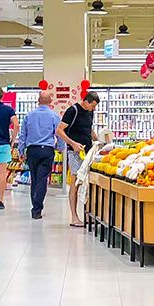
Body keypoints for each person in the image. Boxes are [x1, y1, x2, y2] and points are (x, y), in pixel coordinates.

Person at [57, 91, 99, 228]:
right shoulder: (72, 111)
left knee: (87, 183)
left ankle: (88, 215)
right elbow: (59, 130)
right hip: (75, 153)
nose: (93, 109)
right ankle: (74, 217)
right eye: (92, 106)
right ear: (86, 101)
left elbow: (89, 129)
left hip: (88, 152)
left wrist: (98, 140)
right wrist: (73, 143)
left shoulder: (90, 112)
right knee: (75, 182)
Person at [19, 91, 62, 220]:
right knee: (42, 179)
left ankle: (35, 205)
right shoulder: (54, 116)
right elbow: (59, 134)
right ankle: (37, 209)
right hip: (47, 151)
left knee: (34, 179)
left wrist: (21, 150)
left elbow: (23, 135)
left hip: (32, 150)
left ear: (38, 100)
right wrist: (60, 148)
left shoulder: (29, 115)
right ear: (50, 101)